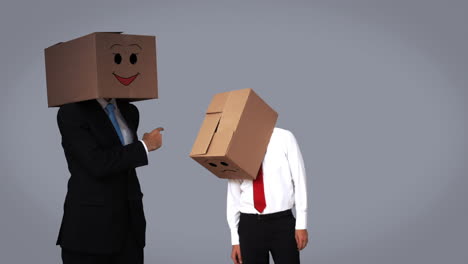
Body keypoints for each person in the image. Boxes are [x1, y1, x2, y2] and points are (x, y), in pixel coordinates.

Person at [56, 98, 163, 264]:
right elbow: (96, 163)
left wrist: (139, 147)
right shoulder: (71, 111)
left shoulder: (130, 111)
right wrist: (144, 146)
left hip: (130, 225)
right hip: (90, 228)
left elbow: (123, 161)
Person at [227, 127, 308, 264]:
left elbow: (300, 180)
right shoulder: (236, 143)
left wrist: (301, 224)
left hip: (282, 222)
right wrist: (235, 239)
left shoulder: (284, 137)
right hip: (249, 225)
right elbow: (233, 194)